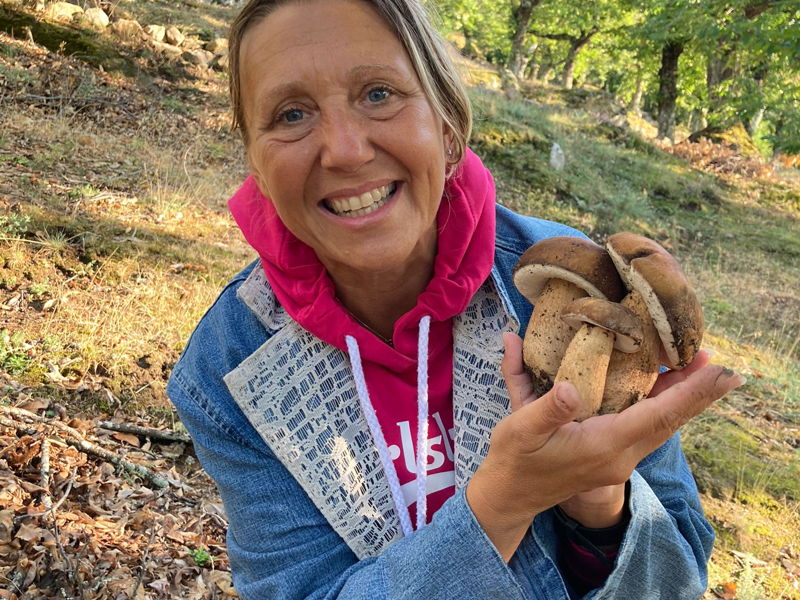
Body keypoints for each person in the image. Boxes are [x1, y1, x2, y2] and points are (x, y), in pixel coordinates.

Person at [166, 0, 746, 598]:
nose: (344, 150)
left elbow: (678, 578)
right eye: (291, 113)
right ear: (255, 165)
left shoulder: (571, 287)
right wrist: (501, 505)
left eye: (378, 94)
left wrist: (598, 506)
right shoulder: (229, 369)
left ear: (447, 130)